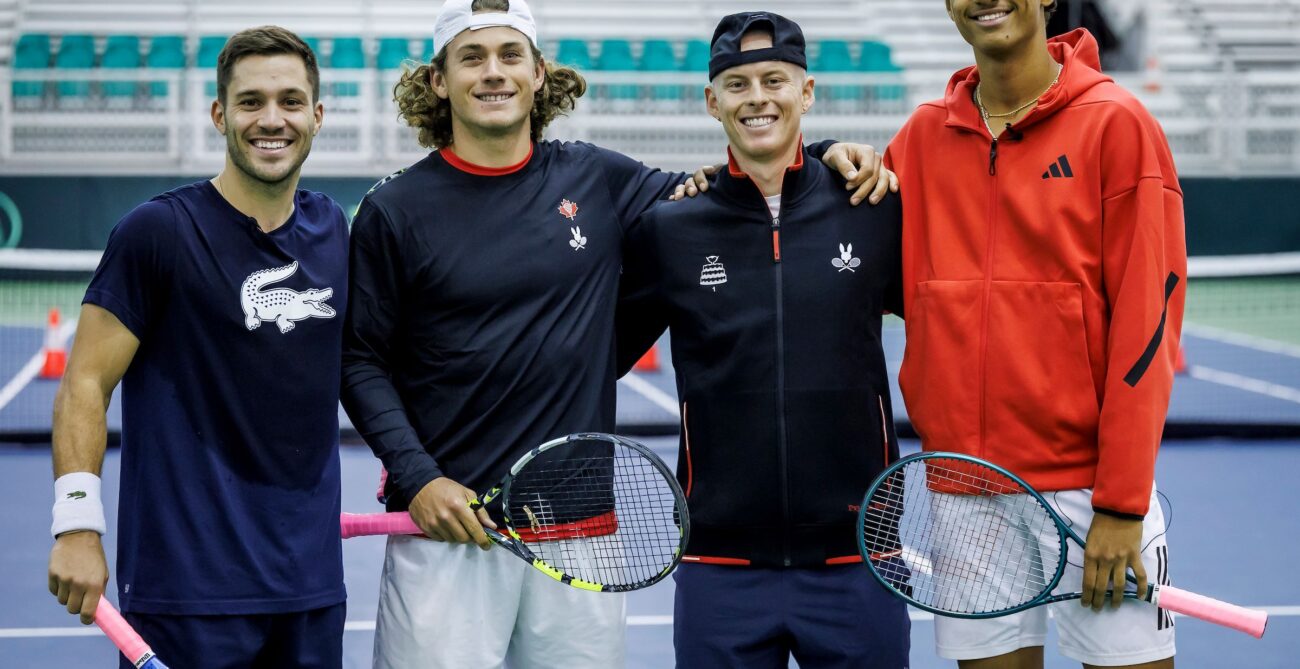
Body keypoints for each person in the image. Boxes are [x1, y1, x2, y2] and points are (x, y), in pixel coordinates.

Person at [339, 1, 892, 667]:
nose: (494, 73)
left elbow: (740, 185)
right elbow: (359, 358)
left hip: (581, 533)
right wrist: (420, 476)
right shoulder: (392, 209)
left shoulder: (599, 177)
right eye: (472, 57)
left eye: (510, 56)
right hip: (450, 532)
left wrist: (830, 152)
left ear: (539, 73)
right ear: (438, 80)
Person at [883, 1, 1186, 667]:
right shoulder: (919, 139)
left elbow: (1149, 326)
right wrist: (829, 157)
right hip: (965, 495)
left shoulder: (1117, 124)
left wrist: (1121, 505)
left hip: (1090, 495)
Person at [614, 12, 910, 668]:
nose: (758, 98)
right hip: (720, 564)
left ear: (806, 93)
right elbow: (591, 356)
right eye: (739, 84)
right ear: (711, 101)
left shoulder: (874, 205)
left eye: (775, 80)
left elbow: (955, 323)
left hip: (860, 556)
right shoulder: (671, 227)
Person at [46, 26, 348, 668]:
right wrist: (77, 522)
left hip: (310, 589)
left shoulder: (335, 232)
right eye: (251, 102)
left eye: (292, 101)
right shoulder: (156, 232)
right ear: (220, 114)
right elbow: (85, 385)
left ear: (317, 116)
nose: (273, 119)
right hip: (186, 592)